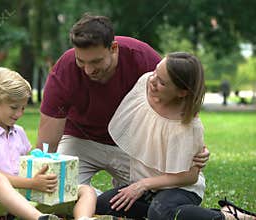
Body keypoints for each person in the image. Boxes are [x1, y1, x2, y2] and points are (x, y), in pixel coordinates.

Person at [36, 14, 210, 188]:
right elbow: (46, 142)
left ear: (113, 48)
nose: (88, 70)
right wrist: (40, 175)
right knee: (61, 190)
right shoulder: (64, 70)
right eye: (81, 61)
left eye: (96, 61)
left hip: (131, 144)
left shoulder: (144, 59)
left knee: (152, 194)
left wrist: (194, 147)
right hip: (80, 140)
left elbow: (182, 104)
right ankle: (92, 201)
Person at [95, 52, 256, 220]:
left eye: (162, 82)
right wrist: (140, 185)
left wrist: (143, 185)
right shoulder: (144, 83)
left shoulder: (189, 125)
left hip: (180, 188)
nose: (153, 81)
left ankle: (226, 216)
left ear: (182, 92)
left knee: (160, 212)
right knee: (103, 204)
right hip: (148, 190)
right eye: (155, 72)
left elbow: (189, 177)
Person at [0, 67, 97, 220]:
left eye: (23, 108)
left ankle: (83, 218)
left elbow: (26, 169)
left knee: (85, 190)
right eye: (14, 108)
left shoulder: (19, 132)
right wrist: (32, 183)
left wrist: (45, 175)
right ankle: (39, 218)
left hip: (24, 195)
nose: (19, 114)